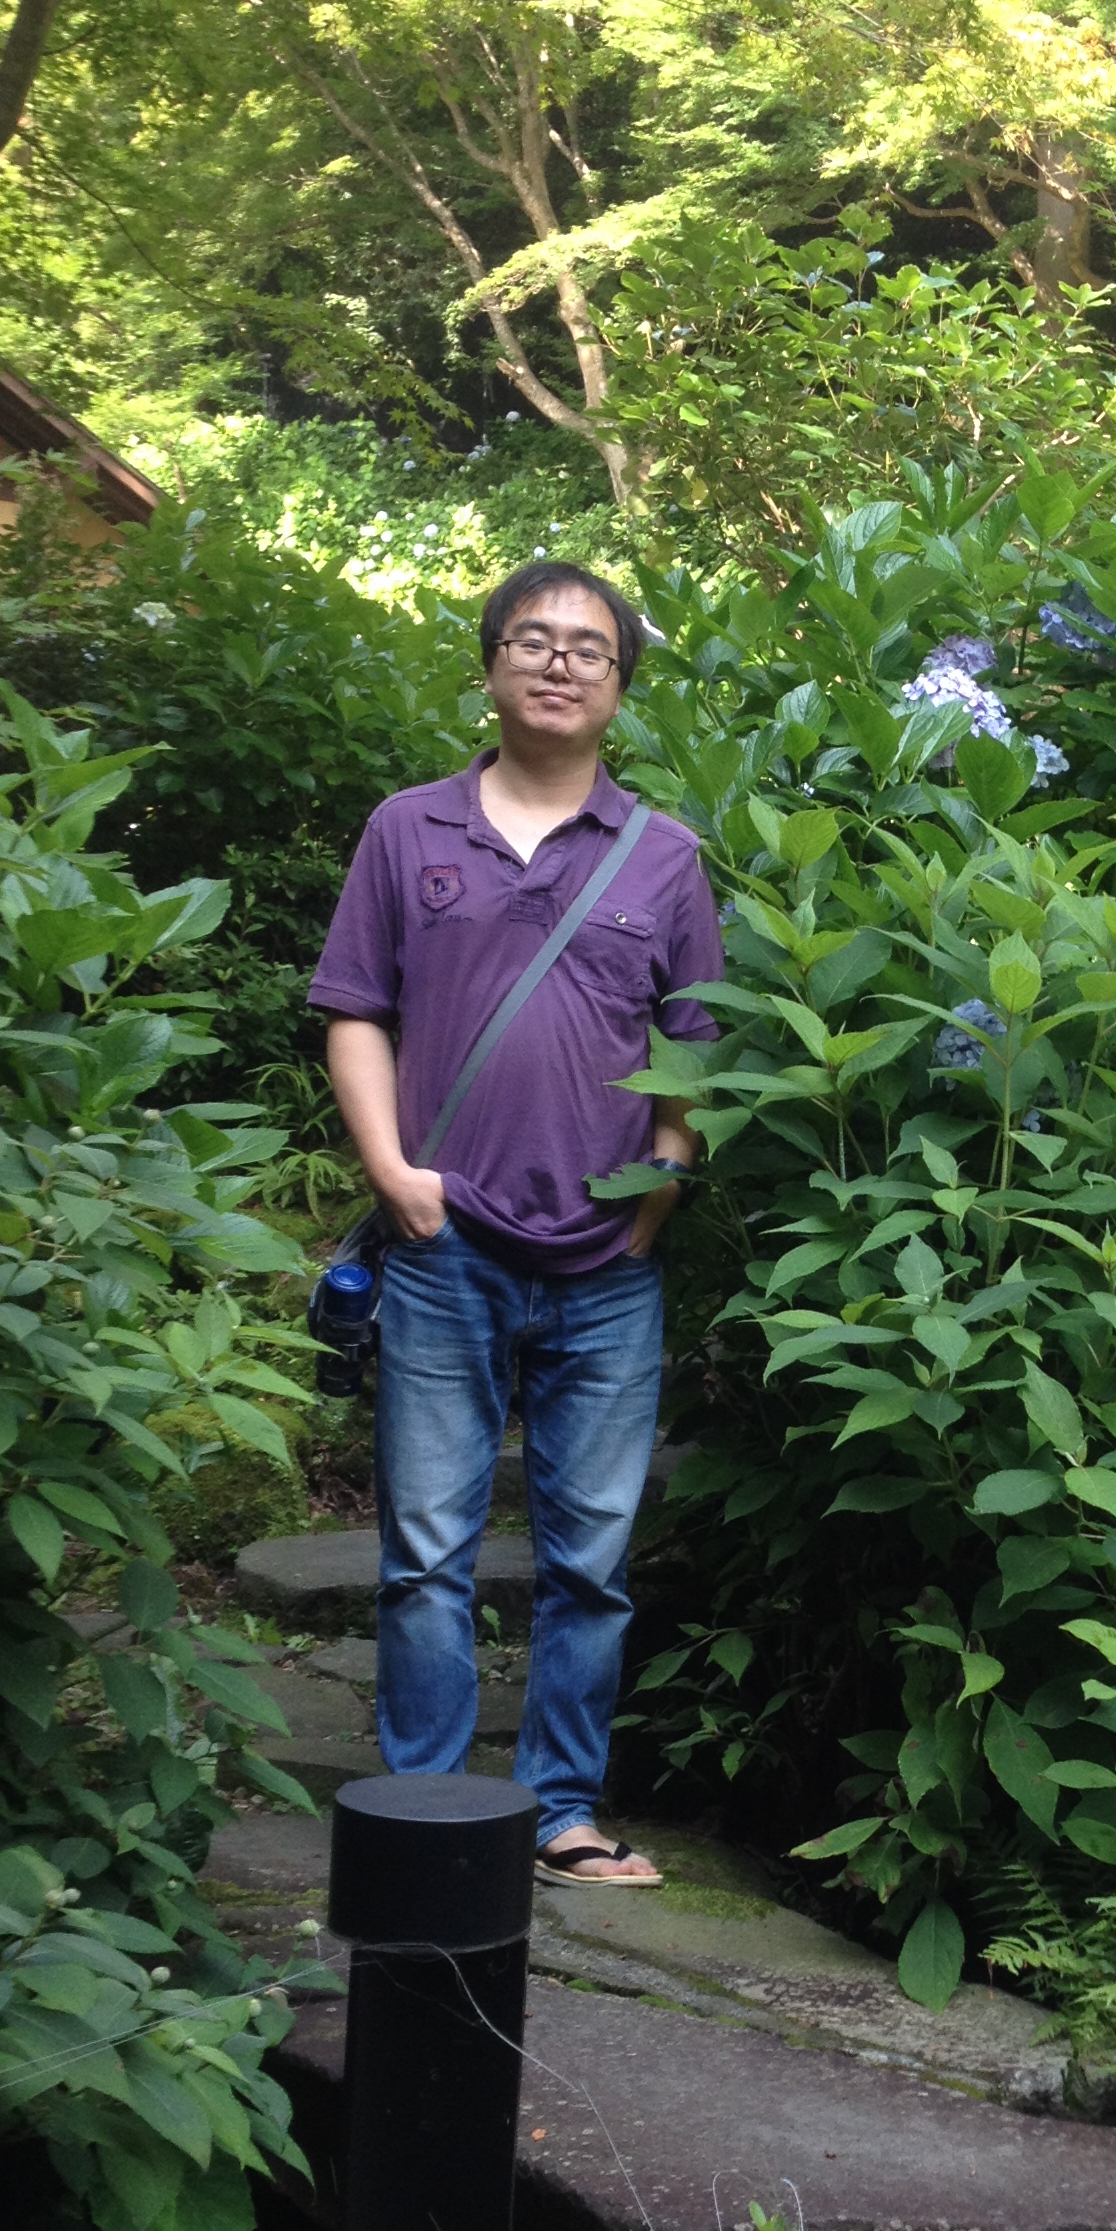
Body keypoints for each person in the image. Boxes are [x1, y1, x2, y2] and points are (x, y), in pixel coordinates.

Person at [309, 557, 721, 1887]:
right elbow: (356, 1009)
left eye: (588, 649)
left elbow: (695, 1047)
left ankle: (559, 1815)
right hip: (447, 1247)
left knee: (589, 1567)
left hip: (608, 1268)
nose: (558, 662)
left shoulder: (664, 855)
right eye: (532, 640)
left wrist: (661, 1190)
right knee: (425, 1556)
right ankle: (426, 1811)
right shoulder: (408, 830)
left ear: (619, 688)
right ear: (490, 666)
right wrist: (393, 1173)